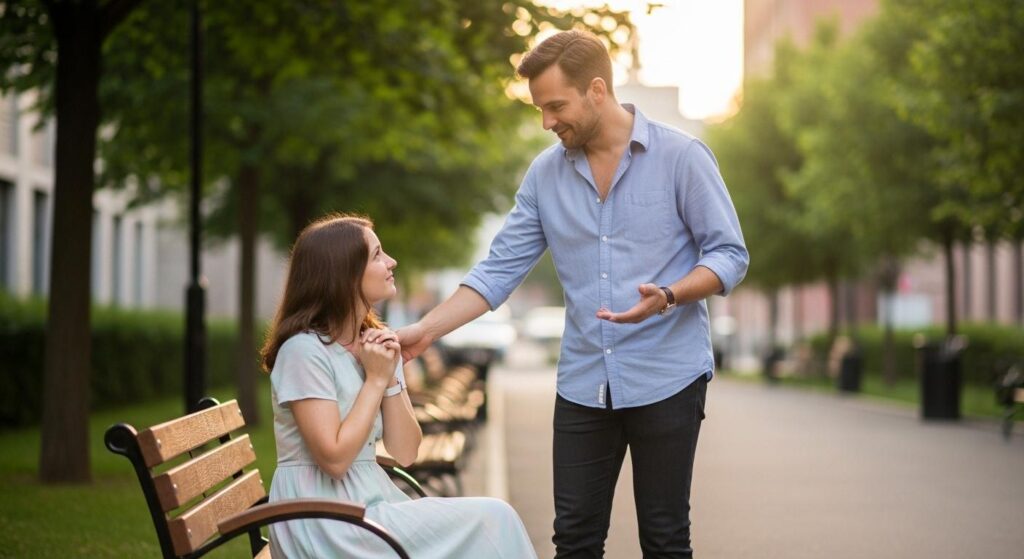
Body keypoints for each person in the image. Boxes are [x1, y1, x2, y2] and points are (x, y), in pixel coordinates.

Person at [397, 30, 748, 558]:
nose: (547, 122)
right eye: (540, 109)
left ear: (597, 91)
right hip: (585, 384)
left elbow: (729, 254)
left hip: (668, 376)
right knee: (575, 540)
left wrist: (669, 294)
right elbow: (498, 271)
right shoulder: (545, 176)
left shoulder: (682, 157)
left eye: (556, 106)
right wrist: (425, 330)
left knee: (665, 537)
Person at [260, 213, 537, 558]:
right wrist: (375, 380)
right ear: (344, 273)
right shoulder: (304, 351)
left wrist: (388, 376)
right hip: (322, 519)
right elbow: (334, 460)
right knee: (494, 520)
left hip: (367, 507)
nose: (391, 262)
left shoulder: (372, 345)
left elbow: (406, 452)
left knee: (495, 521)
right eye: (377, 255)